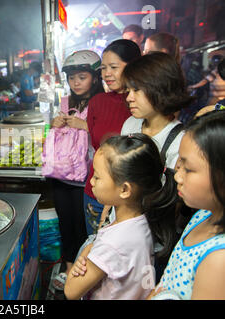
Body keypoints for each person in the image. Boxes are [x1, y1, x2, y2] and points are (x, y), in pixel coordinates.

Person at [64, 134, 179, 300]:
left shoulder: (111, 244)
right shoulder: (143, 222)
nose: (92, 182)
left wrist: (86, 253)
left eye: (97, 176)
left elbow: (71, 291)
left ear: (124, 190)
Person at [149, 110, 225, 300]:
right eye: (179, 164)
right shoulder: (203, 214)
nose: (177, 176)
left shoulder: (219, 260)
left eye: (188, 169)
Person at [49, 50, 104, 290]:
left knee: (84, 228)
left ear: (94, 77)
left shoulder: (102, 103)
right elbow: (55, 134)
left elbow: (108, 138)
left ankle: (83, 272)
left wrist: (85, 126)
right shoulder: (65, 102)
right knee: (66, 225)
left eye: (82, 77)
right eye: (72, 78)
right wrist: (55, 124)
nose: (76, 83)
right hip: (61, 175)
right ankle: (69, 267)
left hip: (87, 179)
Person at [83, 39, 141, 236]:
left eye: (114, 67)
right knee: (94, 249)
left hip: (130, 200)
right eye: (103, 68)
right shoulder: (97, 102)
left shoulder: (142, 104)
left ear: (133, 67)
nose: (106, 73)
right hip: (96, 195)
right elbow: (95, 144)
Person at [121, 52, 194, 169]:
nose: (129, 98)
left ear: (160, 88)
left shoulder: (180, 141)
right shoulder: (130, 124)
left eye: (136, 90)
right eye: (128, 90)